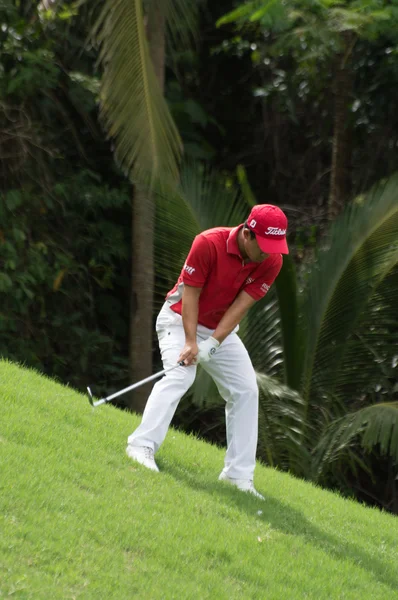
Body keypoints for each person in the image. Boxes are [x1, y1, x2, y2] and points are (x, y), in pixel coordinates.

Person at [126, 204, 289, 499]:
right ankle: (140, 445)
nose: (268, 253)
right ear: (247, 233)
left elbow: (241, 306)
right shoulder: (208, 243)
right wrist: (191, 341)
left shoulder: (271, 260)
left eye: (274, 247)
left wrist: (212, 344)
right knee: (181, 376)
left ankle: (238, 477)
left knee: (246, 390)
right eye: (264, 246)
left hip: (219, 330)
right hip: (179, 319)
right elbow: (191, 295)